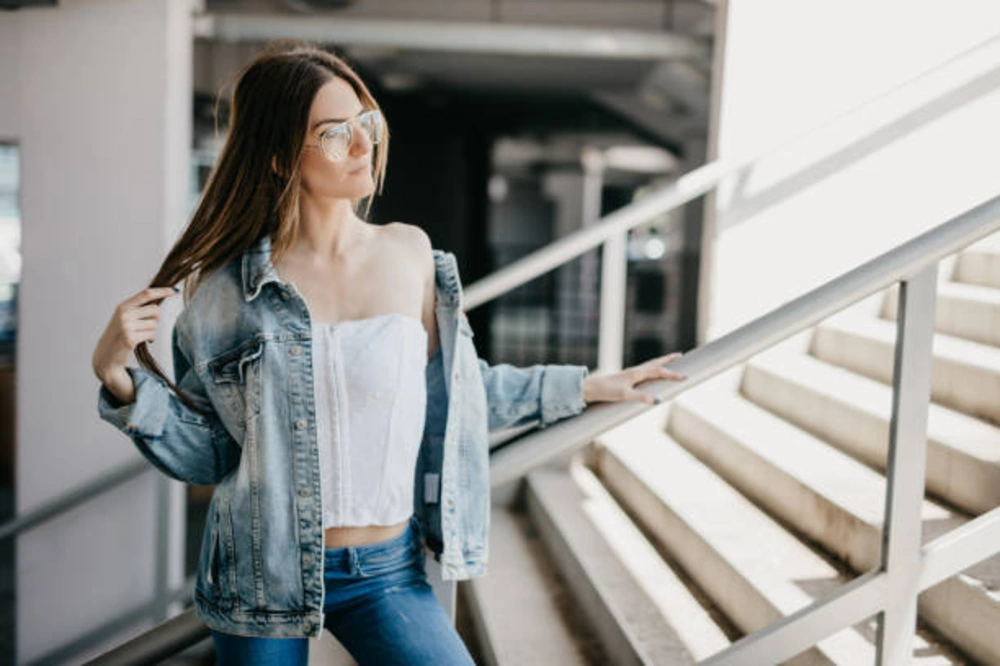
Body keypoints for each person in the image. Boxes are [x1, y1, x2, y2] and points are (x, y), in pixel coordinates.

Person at [90, 41, 688, 665]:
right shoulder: (221, 296)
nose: (361, 146)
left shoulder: (408, 253)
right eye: (332, 134)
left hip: (386, 570)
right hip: (261, 573)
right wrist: (120, 379)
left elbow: (452, 391)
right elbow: (211, 454)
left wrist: (582, 387)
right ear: (276, 158)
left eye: (365, 124)